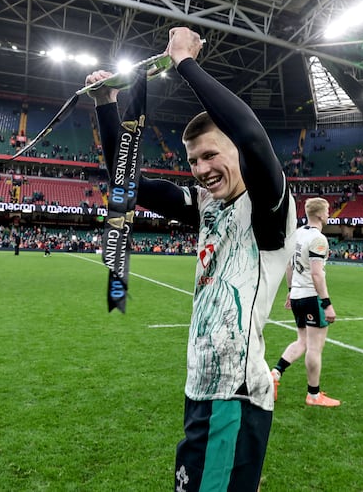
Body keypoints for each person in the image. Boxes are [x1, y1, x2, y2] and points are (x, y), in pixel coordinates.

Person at [86, 26, 296, 492]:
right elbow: (128, 185)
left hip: (233, 397)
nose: (201, 169)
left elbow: (254, 138)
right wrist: (106, 104)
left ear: (237, 152)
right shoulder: (205, 204)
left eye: (210, 155)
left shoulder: (269, 206)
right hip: (202, 387)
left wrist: (185, 63)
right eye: (193, 160)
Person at [271, 197, 340, 407]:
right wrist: (326, 303)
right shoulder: (318, 239)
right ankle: (313, 394)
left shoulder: (297, 234)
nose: (329, 215)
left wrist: (291, 292)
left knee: (302, 340)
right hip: (312, 296)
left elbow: (289, 266)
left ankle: (275, 373)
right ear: (319, 214)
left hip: (298, 296)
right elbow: (317, 274)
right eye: (327, 211)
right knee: (314, 347)